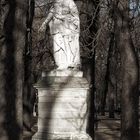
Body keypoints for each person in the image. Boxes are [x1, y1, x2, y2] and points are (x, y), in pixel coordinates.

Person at [39, 0, 80, 69]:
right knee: (57, 46)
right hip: (56, 28)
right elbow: (51, 13)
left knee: (67, 44)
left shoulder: (70, 2)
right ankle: (61, 63)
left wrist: (67, 19)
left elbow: (75, 17)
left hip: (67, 27)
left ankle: (69, 62)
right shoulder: (56, 2)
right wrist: (44, 23)